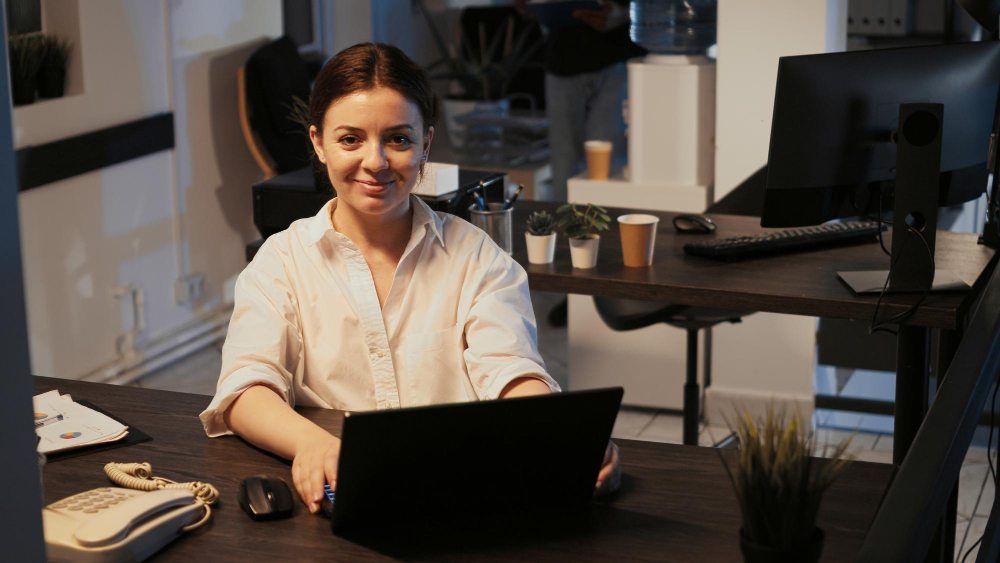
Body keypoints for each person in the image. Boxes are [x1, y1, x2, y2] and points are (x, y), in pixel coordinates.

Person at [199, 42, 620, 514]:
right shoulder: (281, 261)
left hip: (457, 498)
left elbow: (510, 370)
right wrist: (313, 444)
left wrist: (563, 434)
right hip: (335, 499)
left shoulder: (476, 256)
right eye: (350, 139)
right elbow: (245, 388)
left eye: (398, 139)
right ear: (318, 143)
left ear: (426, 145)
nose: (376, 162)